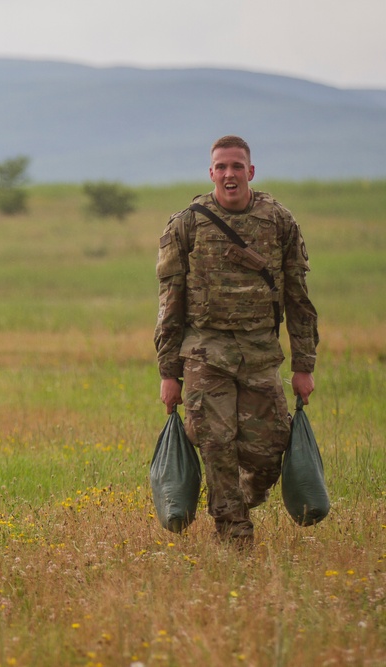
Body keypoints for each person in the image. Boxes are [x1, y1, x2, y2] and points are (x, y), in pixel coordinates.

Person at [154, 135, 319, 545]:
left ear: (251, 171)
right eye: (222, 167)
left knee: (268, 453)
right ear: (211, 173)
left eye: (237, 166)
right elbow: (170, 306)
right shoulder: (186, 224)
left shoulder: (278, 221)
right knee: (216, 445)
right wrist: (169, 373)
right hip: (205, 354)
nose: (230, 174)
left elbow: (299, 300)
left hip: (261, 355)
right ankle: (234, 538)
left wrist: (304, 366)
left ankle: (240, 498)